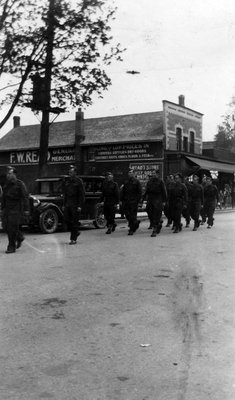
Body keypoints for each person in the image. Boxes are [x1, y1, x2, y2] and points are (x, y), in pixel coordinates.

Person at [1, 166, 30, 253]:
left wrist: (26, 209)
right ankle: (19, 237)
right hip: (7, 209)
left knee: (12, 228)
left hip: (16, 209)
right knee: (5, 226)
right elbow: (4, 198)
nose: (8, 175)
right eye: (7, 174)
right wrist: (2, 208)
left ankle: (11, 247)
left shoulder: (20, 184)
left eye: (9, 174)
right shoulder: (6, 185)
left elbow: (25, 197)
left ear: (14, 174)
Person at [62, 165, 85, 245]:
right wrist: (64, 204)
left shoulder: (79, 181)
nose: (70, 173)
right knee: (66, 220)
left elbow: (81, 195)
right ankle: (76, 232)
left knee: (75, 222)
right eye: (69, 172)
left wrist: (80, 206)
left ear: (75, 172)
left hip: (75, 205)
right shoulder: (67, 181)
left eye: (71, 172)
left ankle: (73, 239)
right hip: (68, 204)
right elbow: (65, 194)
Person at [143, 168, 167, 237]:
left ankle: (155, 229)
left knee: (156, 215)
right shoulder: (149, 182)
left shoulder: (160, 181)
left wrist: (164, 201)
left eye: (154, 173)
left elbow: (164, 191)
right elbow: (146, 191)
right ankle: (158, 224)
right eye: (152, 173)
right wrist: (142, 200)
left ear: (157, 174)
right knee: (150, 214)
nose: (153, 175)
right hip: (150, 200)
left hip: (158, 200)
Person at [120, 169, 142, 235]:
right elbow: (123, 192)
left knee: (132, 215)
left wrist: (137, 201)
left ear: (134, 174)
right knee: (127, 214)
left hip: (133, 202)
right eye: (129, 173)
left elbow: (139, 192)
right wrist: (121, 200)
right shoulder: (126, 182)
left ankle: (131, 229)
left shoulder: (137, 182)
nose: (129, 174)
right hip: (126, 201)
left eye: (131, 173)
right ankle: (135, 222)